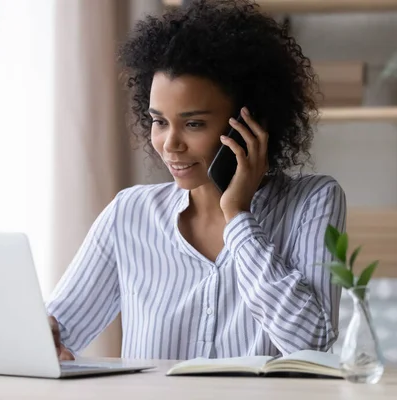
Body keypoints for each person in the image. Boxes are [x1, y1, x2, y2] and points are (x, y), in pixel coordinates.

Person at [46, 0, 346, 361]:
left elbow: (310, 343)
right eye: (159, 121)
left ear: (249, 125)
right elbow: (55, 334)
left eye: (193, 124)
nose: (170, 144)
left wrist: (238, 216)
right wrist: (40, 337)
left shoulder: (313, 201)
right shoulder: (130, 215)